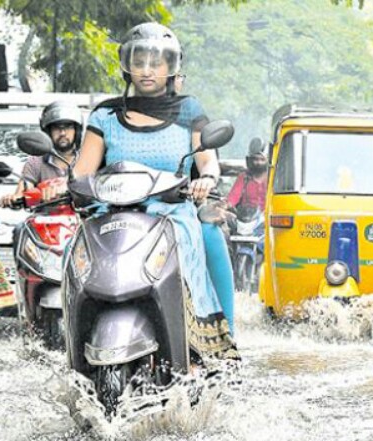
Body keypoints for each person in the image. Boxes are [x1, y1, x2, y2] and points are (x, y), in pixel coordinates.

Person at [48, 22, 237, 354]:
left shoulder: (187, 109)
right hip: (112, 213)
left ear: (171, 66)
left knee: (210, 238)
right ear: (127, 66)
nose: (147, 71)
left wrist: (206, 178)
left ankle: (218, 343)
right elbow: (82, 171)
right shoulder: (106, 114)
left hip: (172, 212)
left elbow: (207, 161)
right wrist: (67, 186)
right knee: (71, 252)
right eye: (139, 62)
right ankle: (73, 342)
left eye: (156, 62)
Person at [0, 100, 82, 207]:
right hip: (45, 220)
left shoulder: (88, 160)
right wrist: (14, 199)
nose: (62, 133)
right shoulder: (35, 162)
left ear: (77, 131)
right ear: (47, 132)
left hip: (85, 220)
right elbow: (23, 191)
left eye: (68, 126)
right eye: (56, 127)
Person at [226, 137, 268, 219]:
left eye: (262, 160)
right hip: (246, 219)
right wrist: (225, 205)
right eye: (255, 159)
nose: (258, 163)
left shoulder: (273, 179)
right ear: (250, 160)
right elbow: (233, 196)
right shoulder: (244, 178)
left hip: (268, 220)